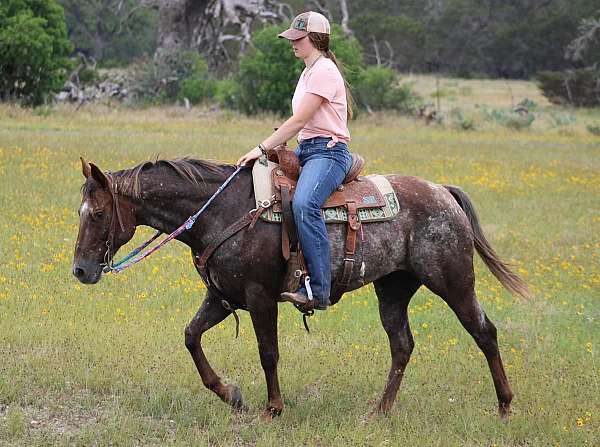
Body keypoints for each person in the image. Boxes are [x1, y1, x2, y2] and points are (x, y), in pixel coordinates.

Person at [236, 11, 353, 311]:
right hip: (306, 150)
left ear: (314, 39)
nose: (292, 44)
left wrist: (261, 148)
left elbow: (299, 120)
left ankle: (319, 291)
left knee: (304, 204)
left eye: (297, 39)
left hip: (329, 153)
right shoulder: (307, 72)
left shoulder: (325, 71)